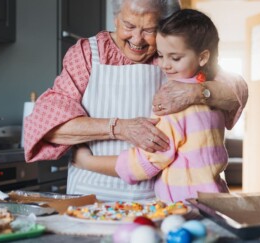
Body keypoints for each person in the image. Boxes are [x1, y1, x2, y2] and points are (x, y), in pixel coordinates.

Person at [24, 0, 248, 202]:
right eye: (129, 26)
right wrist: (119, 128)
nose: (137, 39)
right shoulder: (88, 54)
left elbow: (237, 90)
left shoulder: (171, 54)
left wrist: (195, 93)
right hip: (91, 194)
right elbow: (47, 124)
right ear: (116, 18)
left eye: (149, 30)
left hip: (157, 199)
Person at [73, 9, 231, 202]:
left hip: (186, 204)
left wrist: (87, 161)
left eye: (175, 58)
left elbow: (146, 162)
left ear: (202, 57)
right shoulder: (215, 96)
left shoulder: (174, 104)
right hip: (217, 196)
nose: (164, 65)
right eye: (161, 55)